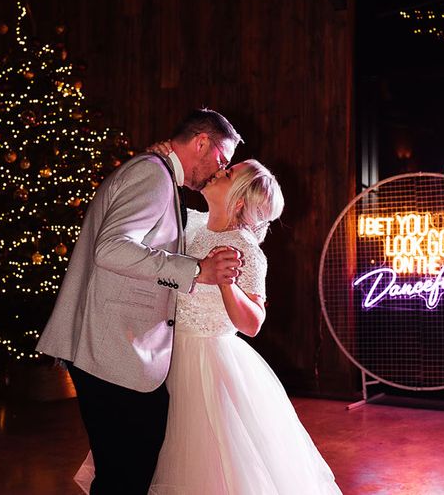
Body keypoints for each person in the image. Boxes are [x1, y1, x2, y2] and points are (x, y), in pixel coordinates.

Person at [74, 150, 342, 494]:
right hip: (162, 353)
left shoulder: (245, 250)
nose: (219, 173)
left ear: (240, 202)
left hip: (206, 367)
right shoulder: (192, 224)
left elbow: (253, 323)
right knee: (140, 446)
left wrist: (227, 283)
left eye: (228, 174)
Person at [36, 109, 244, 495]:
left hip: (113, 348)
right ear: (201, 143)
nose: (219, 170)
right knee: (126, 475)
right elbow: (112, 250)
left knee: (125, 471)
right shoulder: (152, 174)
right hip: (113, 348)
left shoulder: (156, 172)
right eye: (221, 159)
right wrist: (195, 270)